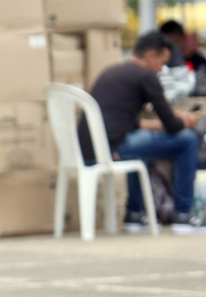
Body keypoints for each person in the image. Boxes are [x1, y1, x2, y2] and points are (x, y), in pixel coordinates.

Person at [78, 31, 204, 234]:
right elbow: (172, 126)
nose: (162, 70)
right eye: (162, 63)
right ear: (151, 55)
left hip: (89, 150)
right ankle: (183, 215)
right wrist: (185, 121)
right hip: (113, 149)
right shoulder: (145, 75)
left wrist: (168, 122)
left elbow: (128, 122)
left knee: (142, 146)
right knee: (187, 140)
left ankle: (134, 214)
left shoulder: (112, 71)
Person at [161, 20, 206, 96]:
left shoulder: (199, 61)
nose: (172, 47)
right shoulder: (160, 64)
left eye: (174, 41)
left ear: (183, 38)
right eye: (168, 44)